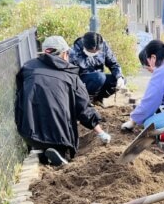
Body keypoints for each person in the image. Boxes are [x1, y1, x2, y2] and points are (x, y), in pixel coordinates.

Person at [15, 36, 111, 166]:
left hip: (28, 131)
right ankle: (60, 155)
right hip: (60, 136)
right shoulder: (71, 75)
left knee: (40, 132)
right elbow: (84, 109)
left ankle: (41, 149)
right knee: (62, 143)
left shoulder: (28, 68)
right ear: (64, 54)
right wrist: (101, 132)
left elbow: (20, 96)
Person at [69, 32, 126, 104]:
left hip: (99, 79)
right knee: (99, 77)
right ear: (84, 46)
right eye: (91, 51)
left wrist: (119, 77)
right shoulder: (74, 50)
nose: (94, 53)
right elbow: (71, 73)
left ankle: (98, 99)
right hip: (82, 80)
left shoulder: (103, 46)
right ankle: (86, 101)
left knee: (120, 80)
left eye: (96, 51)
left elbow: (113, 64)